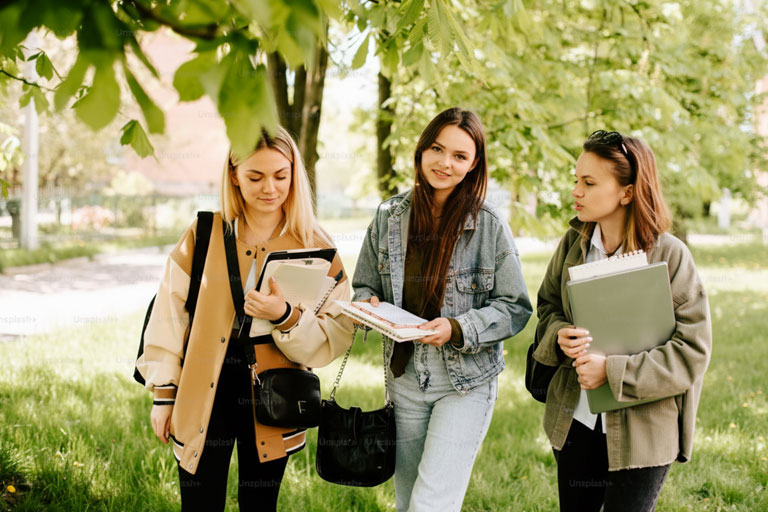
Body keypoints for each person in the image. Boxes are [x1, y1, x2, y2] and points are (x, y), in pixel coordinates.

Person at [136, 127, 354, 511]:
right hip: (203, 388)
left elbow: (335, 333)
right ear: (234, 175)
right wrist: (163, 394)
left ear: (294, 174)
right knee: (199, 503)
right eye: (255, 176)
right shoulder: (204, 233)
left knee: (260, 504)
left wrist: (285, 316)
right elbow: (169, 315)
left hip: (275, 394)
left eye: (280, 176)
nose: (269, 187)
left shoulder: (316, 244)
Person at [352, 107, 532, 512]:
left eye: (459, 156)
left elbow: (515, 307)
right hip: (404, 380)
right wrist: (368, 305)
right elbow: (364, 284)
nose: (444, 163)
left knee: (430, 505)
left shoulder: (488, 225)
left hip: (464, 384)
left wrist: (458, 327)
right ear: (422, 149)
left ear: (473, 165)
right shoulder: (388, 217)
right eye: (437, 148)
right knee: (407, 501)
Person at [532, 130, 712, 512]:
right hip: (576, 421)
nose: (575, 191)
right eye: (576, 180)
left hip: (644, 433)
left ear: (627, 192)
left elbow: (692, 351)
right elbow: (547, 304)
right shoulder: (572, 244)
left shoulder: (671, 256)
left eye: (589, 182)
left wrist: (612, 373)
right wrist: (559, 335)